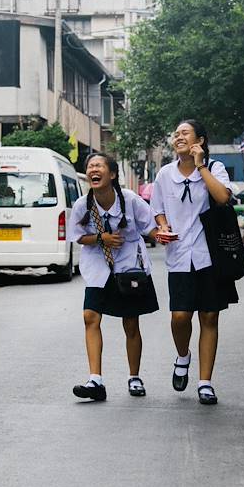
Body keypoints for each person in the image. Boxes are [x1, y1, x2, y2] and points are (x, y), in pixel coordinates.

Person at [151, 119, 237, 405]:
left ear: (200, 139)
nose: (178, 137)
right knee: (180, 317)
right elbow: (158, 210)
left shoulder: (214, 169)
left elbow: (223, 197)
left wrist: (201, 165)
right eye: (176, 134)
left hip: (209, 255)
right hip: (178, 257)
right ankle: (183, 355)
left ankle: (205, 382)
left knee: (210, 317)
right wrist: (162, 227)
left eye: (185, 133)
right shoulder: (164, 174)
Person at [69, 152, 161, 401]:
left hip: (128, 266)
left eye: (99, 166)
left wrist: (164, 235)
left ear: (112, 174)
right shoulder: (82, 205)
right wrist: (102, 238)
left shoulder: (130, 200)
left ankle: (134, 377)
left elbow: (151, 226)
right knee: (90, 317)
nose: (93, 170)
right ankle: (95, 381)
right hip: (98, 268)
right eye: (90, 167)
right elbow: (77, 236)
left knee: (130, 323)